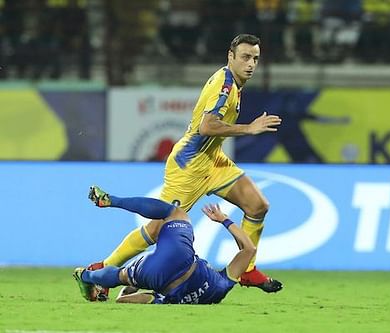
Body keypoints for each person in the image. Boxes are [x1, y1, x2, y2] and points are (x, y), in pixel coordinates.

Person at [89, 33, 283, 296]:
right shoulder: (224, 85)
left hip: (213, 161)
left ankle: (246, 270)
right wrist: (249, 128)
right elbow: (207, 126)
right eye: (246, 57)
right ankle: (103, 270)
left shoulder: (235, 84)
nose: (251, 64)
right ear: (231, 56)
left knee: (258, 205)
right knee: (157, 229)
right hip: (189, 166)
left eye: (256, 59)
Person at [74, 185, 263, 304]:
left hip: (180, 255)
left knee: (175, 213)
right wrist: (128, 291)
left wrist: (224, 220)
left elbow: (249, 249)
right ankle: (86, 275)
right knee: (121, 275)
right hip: (158, 278)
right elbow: (145, 299)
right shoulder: (195, 298)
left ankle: (113, 201)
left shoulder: (221, 285)